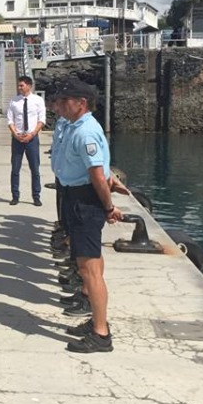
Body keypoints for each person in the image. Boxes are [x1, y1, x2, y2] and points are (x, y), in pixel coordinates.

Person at [51, 79, 123, 354]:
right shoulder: (78, 127)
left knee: (90, 271)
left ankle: (101, 333)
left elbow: (96, 174)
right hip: (76, 195)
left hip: (85, 200)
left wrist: (108, 207)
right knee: (90, 266)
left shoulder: (85, 132)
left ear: (81, 103)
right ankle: (96, 320)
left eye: (67, 100)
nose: (61, 105)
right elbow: (100, 169)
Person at [6, 76, 46, 206]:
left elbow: (41, 120)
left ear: (29, 86)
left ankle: (36, 196)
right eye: (19, 85)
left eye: (21, 85)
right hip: (17, 138)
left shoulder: (38, 100)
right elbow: (10, 120)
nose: (19, 88)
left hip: (32, 138)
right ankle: (15, 196)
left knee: (35, 169)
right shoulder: (14, 101)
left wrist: (32, 134)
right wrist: (15, 134)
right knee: (15, 168)